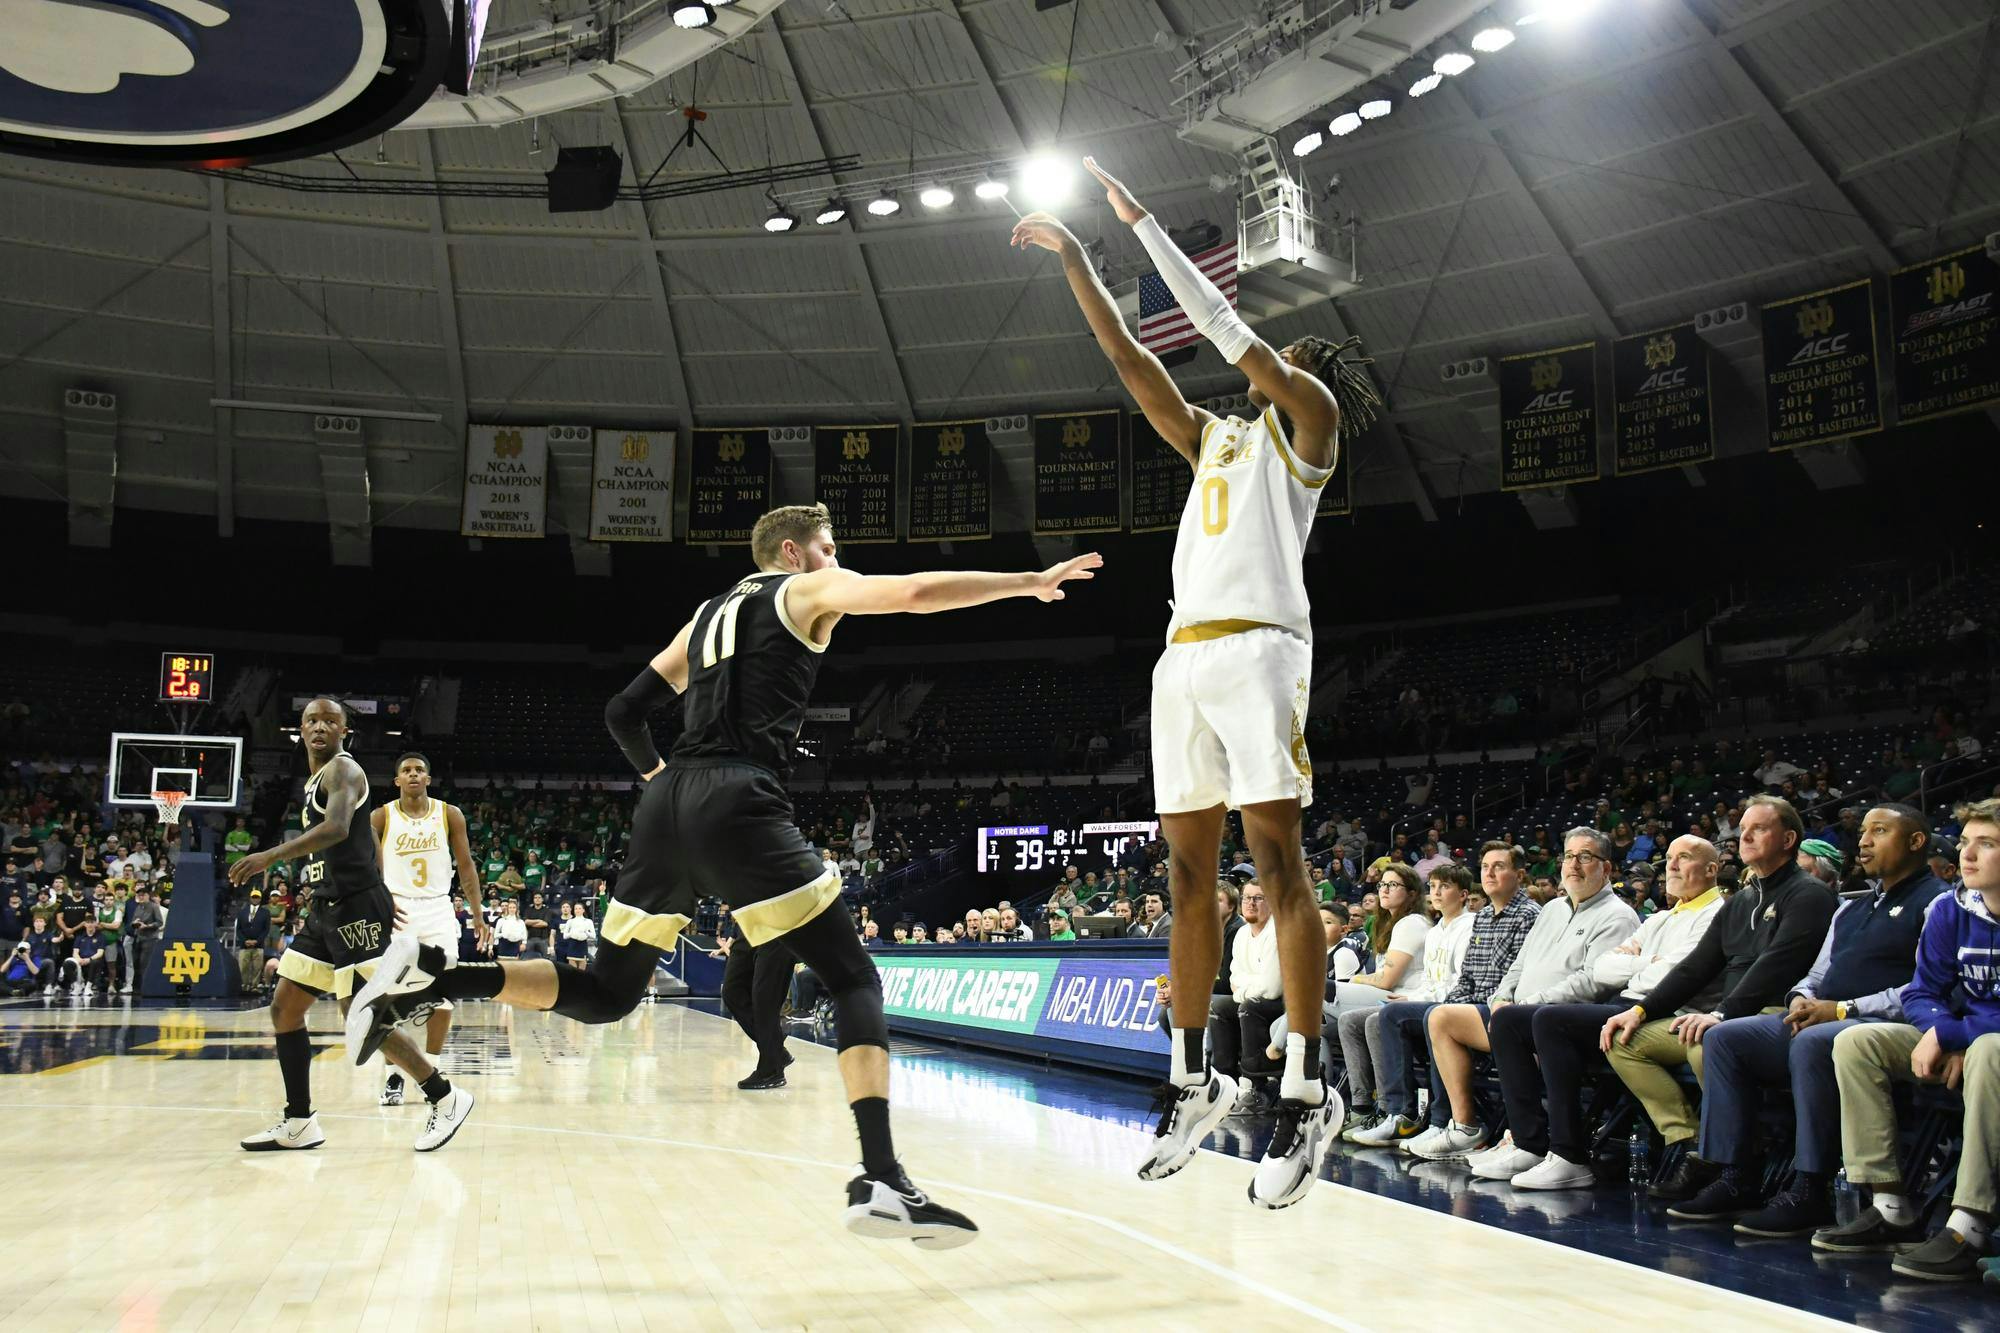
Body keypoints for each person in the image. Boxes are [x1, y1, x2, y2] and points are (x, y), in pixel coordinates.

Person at [350, 504, 1101, 1246]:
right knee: (852, 978)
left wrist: (659, 780)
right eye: (829, 548)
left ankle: (431, 978)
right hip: (738, 796)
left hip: (667, 801)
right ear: (791, 550)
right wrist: (1027, 579)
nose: (836, 562)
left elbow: (623, 709)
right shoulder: (798, 591)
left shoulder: (705, 615)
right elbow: (909, 592)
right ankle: (880, 1177)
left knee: (609, 994)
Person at [1018, 158, 1383, 1210]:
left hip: (1263, 648)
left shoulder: (1305, 425)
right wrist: (1082, 263)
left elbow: (1231, 335)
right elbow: (1130, 358)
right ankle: (1196, 1076)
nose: (1275, 361)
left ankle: (1306, 1088)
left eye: (1291, 354)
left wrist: (1136, 224)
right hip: (1182, 656)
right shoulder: (1216, 441)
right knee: (1187, 879)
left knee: (1278, 865)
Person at [227, 698, 472, 1153]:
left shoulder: (344, 770)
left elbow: (338, 829)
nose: (320, 727)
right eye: (312, 721)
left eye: (330, 721)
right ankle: (299, 1121)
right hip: (327, 907)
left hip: (355, 908)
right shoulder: (314, 779)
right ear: (299, 730)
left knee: (361, 1016)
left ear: (345, 732)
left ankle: (446, 1096)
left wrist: (270, 855)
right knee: (284, 1007)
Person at [1597, 796, 1837, 1195]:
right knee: (1624, 1040)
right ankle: (1690, 1141)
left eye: (1759, 828)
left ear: (1789, 838)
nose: (1745, 834)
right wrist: (1640, 1010)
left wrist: (1721, 1014)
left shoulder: (1808, 894)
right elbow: (1695, 968)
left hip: (1777, 1012)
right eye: (1743, 828)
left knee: (1707, 1042)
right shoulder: (1740, 901)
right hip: (1728, 1015)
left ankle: (1734, 1155)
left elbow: (1774, 967)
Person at [1813, 797, 2000, 1280]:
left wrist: (1953, 1033)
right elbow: (1923, 991)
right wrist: (1940, 1031)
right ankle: (1890, 1204)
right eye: (1965, 843)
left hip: (1985, 1045)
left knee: (1990, 1050)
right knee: (1858, 1042)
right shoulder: (1953, 908)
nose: (1968, 855)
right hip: (1969, 1039)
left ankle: (1970, 1224)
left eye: (1987, 844)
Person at [1473, 835, 1725, 1188]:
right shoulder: (1662, 918)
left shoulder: (1715, 914)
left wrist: (1638, 963)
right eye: (1668, 857)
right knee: (1510, 1020)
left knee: (1550, 1018)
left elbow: (1675, 974)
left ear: (1712, 869)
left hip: (1666, 1012)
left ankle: (1569, 1155)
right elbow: (1606, 967)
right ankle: (1528, 1143)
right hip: (1627, 1005)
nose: (1671, 865)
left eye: (1683, 858)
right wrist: (1648, 963)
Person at [1407, 828, 1638, 1161]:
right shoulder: (1553, 909)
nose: (1574, 865)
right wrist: (1501, 999)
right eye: (1569, 856)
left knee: (1512, 1024)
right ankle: (1465, 1127)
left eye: (1585, 857)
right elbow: (1518, 965)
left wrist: (1525, 1005)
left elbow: (1593, 982)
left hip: (1564, 1021)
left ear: (1607, 869)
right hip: (1518, 1013)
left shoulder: (1618, 915)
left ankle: (1524, 1140)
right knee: (1442, 1018)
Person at [370, 752, 492, 1108]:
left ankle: (433, 1070)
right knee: (390, 998)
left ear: (428, 778)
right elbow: (367, 867)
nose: (412, 775)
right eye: (406, 770)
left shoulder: (449, 814)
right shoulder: (381, 816)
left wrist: (478, 915)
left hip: (438, 908)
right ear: (397, 781)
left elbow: (466, 867)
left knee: (443, 992)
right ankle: (394, 1076)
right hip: (399, 909)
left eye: (419, 770)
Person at [1341, 863, 1475, 1140]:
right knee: (1350, 1019)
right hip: (1417, 999)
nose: (1436, 892)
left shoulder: (1464, 925)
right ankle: (1365, 1107)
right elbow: (1429, 980)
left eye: (1445, 886)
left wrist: (1410, 999)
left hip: (1446, 1005)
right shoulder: (1437, 930)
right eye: (1434, 886)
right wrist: (1412, 998)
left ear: (1463, 894)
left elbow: (1459, 983)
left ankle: (1400, 1111)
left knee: (1374, 1016)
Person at [720, 934, 795, 1090]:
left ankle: (771, 1070)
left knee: (765, 999)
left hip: (778, 926)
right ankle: (776, 1051)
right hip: (746, 924)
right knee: (732, 991)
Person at [235, 890, 271, 996]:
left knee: (257, 967)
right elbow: (239, 929)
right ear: (250, 898)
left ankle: (255, 986)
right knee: (243, 967)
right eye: (253, 897)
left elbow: (266, 929)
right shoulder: (242, 912)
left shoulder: (265, 912)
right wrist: (244, 940)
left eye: (257, 897)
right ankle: (244, 986)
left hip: (258, 945)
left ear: (260, 899)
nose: (255, 899)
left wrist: (257, 941)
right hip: (244, 945)